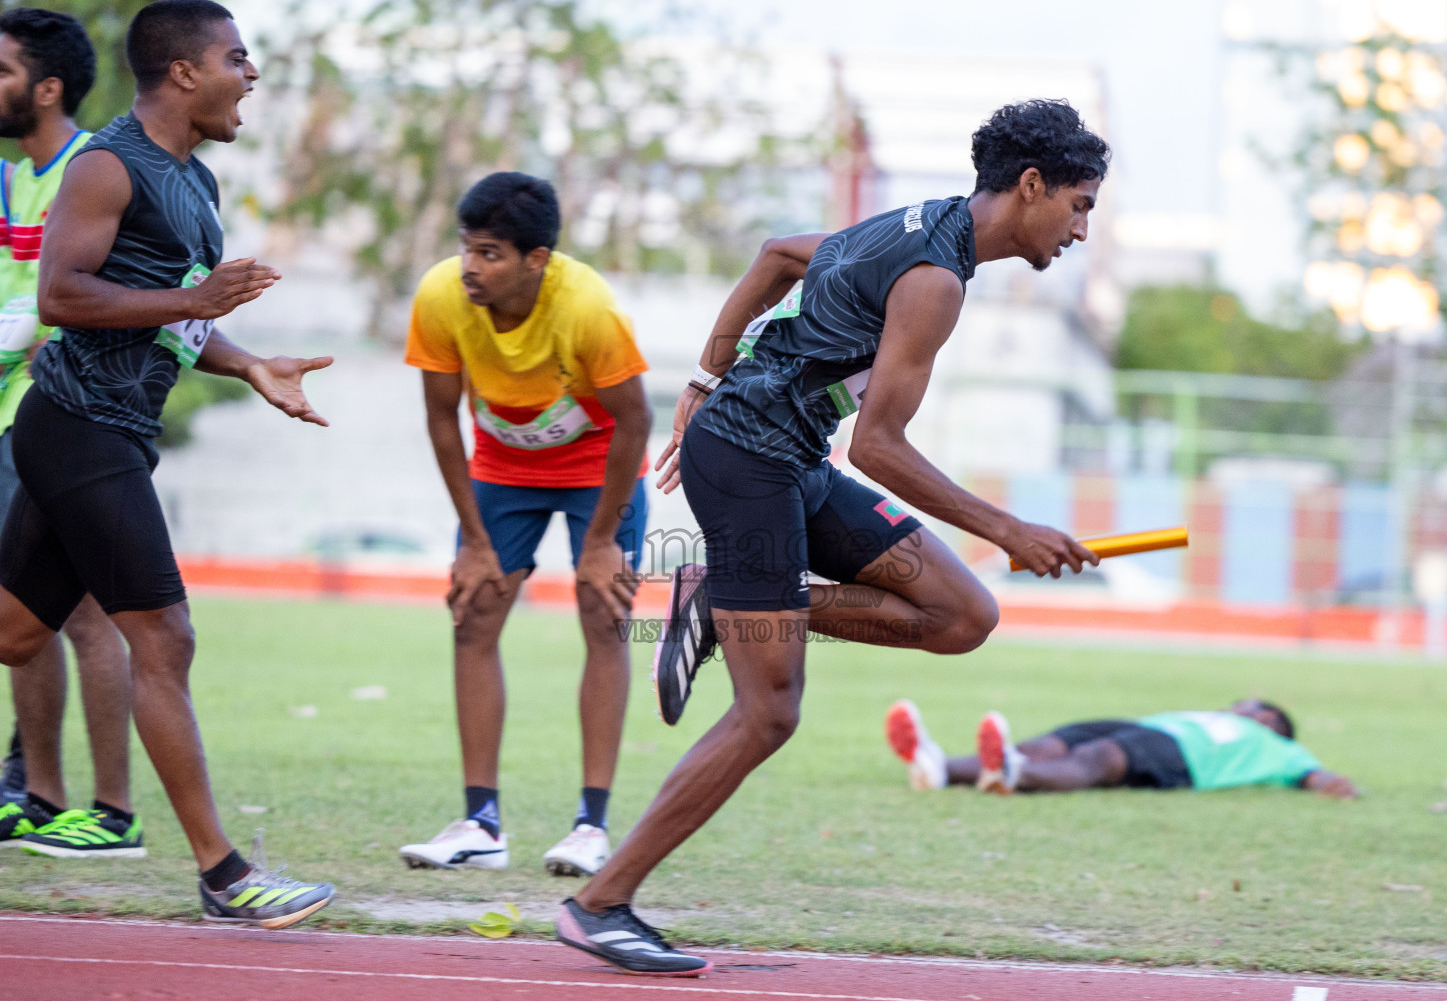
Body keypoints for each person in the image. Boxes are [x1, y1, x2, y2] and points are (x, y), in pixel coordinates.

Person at [556, 99, 1107, 975]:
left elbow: (778, 253)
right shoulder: (937, 277)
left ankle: (721, 600)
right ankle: (600, 902)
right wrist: (1009, 527)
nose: (1082, 230)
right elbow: (880, 446)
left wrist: (706, 374)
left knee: (963, 615)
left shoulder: (921, 226)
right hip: (747, 465)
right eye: (1079, 205)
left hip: (788, 457)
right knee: (768, 712)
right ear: (1031, 186)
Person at [0, 0, 335, 928]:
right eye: (238, 56)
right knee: (166, 635)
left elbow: (179, 317)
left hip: (109, 433)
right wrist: (198, 297)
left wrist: (245, 361)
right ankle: (224, 876)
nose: (252, 74)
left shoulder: (199, 184)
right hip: (77, 427)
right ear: (184, 71)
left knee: (15, 637)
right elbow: (62, 295)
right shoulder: (108, 163)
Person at [400, 172, 651, 878]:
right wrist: (474, 542)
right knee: (473, 616)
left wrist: (601, 542)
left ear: (536, 259)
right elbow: (439, 419)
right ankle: (480, 823)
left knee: (603, 618)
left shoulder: (587, 310)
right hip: (503, 470)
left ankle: (590, 827)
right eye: (466, 250)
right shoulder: (442, 296)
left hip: (601, 466)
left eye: (490, 254)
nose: (471, 268)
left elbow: (636, 422)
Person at [0, 8, 140, 858]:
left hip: (65, 420)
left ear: (46, 88)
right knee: (23, 614)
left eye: (3, 70)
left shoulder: (93, 174)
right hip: (8, 423)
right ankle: (41, 794)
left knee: (88, 612)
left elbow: (67, 311)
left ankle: (113, 813)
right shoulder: (11, 181)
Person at [885, 698, 1359, 798]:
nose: (1242, 707)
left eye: (1255, 707)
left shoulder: (1280, 750)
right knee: (1052, 742)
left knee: (1097, 760)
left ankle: (1014, 775)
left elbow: (1320, 779)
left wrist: (1339, 787)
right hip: (1148, 728)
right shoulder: (1217, 716)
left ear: (1273, 724)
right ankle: (939, 766)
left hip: (1185, 758)